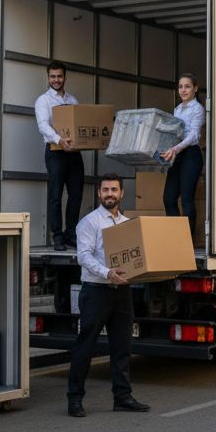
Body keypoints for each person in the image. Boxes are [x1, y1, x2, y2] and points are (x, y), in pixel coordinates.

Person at [66, 174, 149, 417]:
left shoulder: (127, 223)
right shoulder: (90, 222)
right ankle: (74, 399)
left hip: (122, 292)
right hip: (96, 291)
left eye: (114, 189)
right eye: (105, 190)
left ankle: (122, 397)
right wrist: (107, 272)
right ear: (99, 193)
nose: (109, 194)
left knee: (122, 347)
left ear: (122, 193)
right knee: (85, 347)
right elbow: (84, 256)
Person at [35, 61, 84, 251]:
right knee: (55, 195)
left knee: (76, 194)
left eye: (59, 76)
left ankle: (71, 233)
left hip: (73, 153)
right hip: (55, 152)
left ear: (65, 77)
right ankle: (57, 236)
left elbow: (78, 125)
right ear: (48, 77)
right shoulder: (43, 101)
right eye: (53, 76)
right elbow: (43, 125)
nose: (56, 80)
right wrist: (59, 139)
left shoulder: (73, 100)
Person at [161, 73, 204, 237]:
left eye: (187, 86)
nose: (183, 90)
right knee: (168, 198)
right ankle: (177, 238)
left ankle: (187, 241)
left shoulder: (198, 109)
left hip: (191, 154)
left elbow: (193, 135)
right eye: (180, 87)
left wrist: (175, 149)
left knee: (186, 199)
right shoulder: (177, 109)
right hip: (177, 155)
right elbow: (175, 133)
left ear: (195, 89)